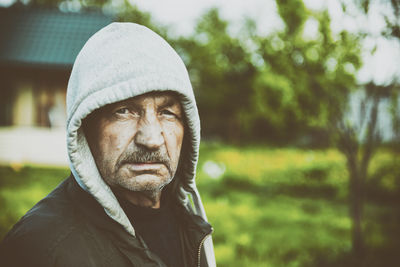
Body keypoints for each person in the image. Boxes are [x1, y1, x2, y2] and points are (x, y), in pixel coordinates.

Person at [0, 22, 216, 267]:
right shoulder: (39, 249)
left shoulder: (187, 223)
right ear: (85, 128)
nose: (152, 140)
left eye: (167, 112)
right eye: (123, 111)